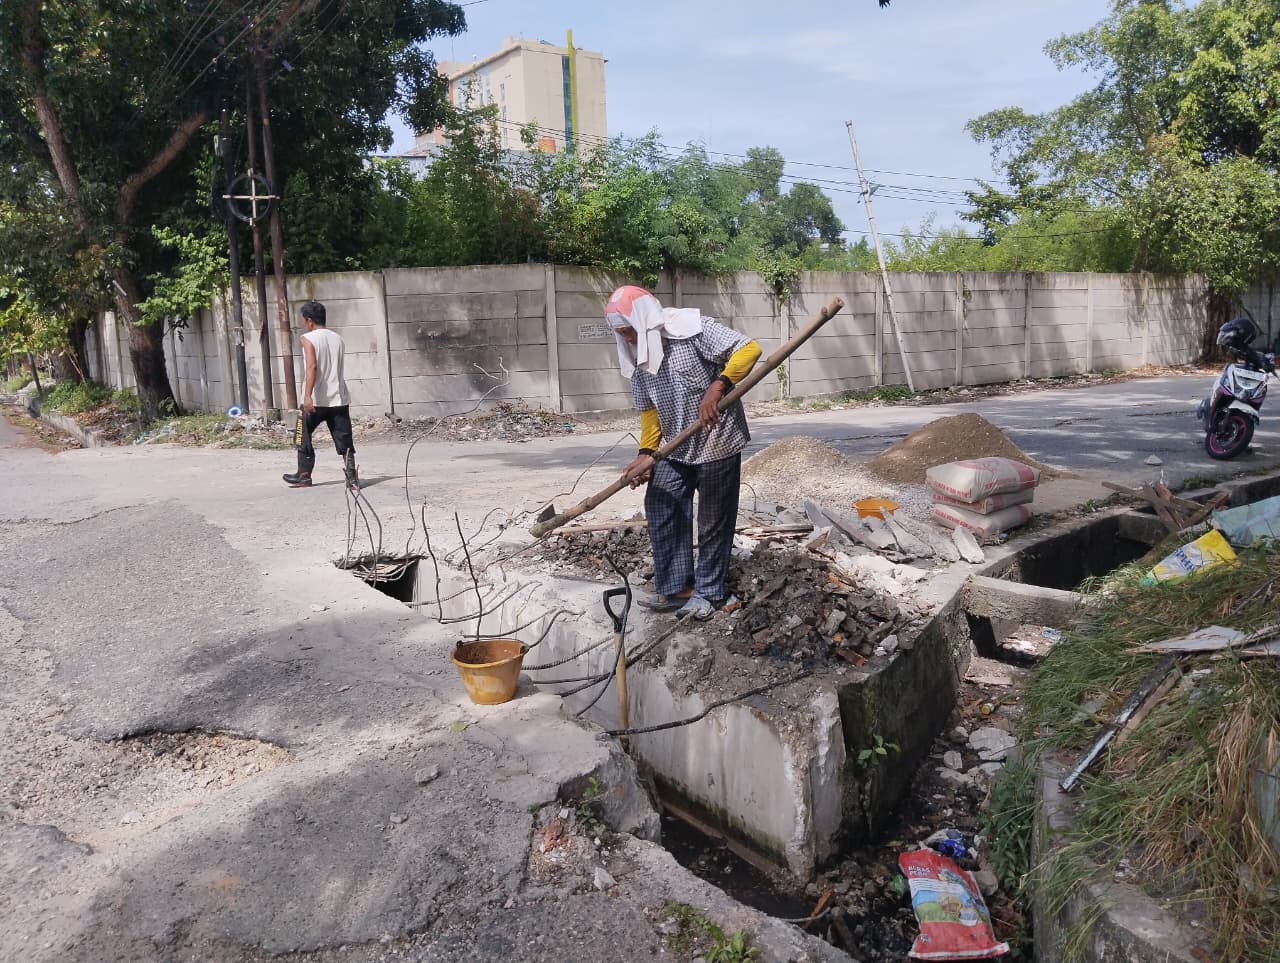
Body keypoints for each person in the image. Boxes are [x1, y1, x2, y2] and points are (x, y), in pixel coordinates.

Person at [608, 285, 762, 620]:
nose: (629, 340)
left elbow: (749, 349)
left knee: (712, 521)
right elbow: (649, 408)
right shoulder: (635, 357)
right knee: (661, 505)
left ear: (646, 321)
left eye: (630, 331)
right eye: (621, 334)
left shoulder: (693, 329)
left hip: (717, 440)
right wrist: (647, 452)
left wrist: (718, 386)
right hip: (674, 448)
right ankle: (679, 587)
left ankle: (712, 593)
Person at [282, 300, 359, 490]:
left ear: (309, 320)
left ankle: (304, 476)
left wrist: (307, 396)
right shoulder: (338, 339)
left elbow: (312, 366)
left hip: (316, 400)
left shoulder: (308, 338)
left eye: (303, 320)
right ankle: (352, 479)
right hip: (339, 399)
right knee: (344, 439)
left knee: (303, 436)